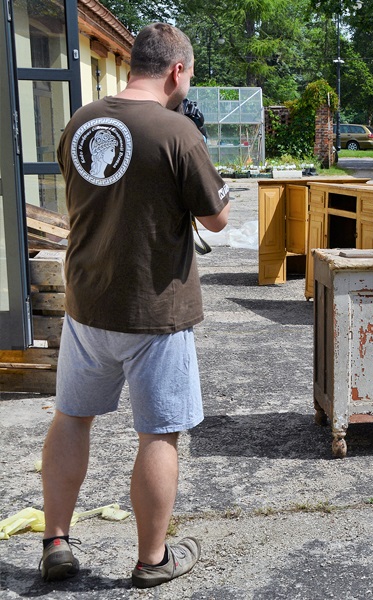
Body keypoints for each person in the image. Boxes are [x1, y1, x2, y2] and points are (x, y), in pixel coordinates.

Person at [40, 23, 230, 588]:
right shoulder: (176, 132)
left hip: (87, 305)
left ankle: (55, 542)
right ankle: (151, 560)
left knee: (72, 418)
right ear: (176, 70)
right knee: (158, 434)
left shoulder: (79, 122)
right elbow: (216, 218)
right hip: (154, 310)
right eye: (189, 75)